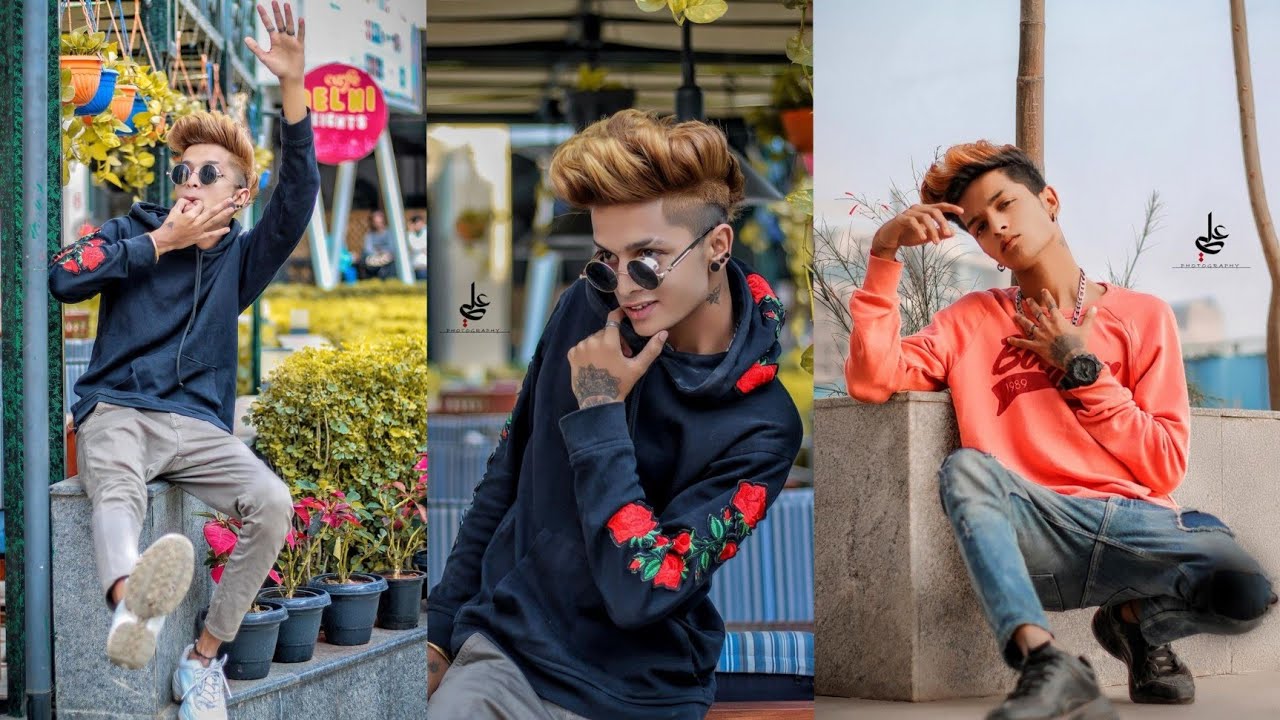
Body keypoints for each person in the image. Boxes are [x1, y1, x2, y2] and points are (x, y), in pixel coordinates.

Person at [845, 140, 1276, 720]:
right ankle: (1047, 663)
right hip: (1039, 532)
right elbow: (872, 378)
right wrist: (884, 255)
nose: (996, 226)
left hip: (1135, 527)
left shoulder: (1143, 316)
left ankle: (1138, 624)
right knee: (968, 469)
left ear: (1049, 201)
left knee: (1247, 591)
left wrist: (1081, 367)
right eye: (978, 224)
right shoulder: (970, 320)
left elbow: (1165, 463)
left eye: (1005, 204)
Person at [426, 109, 803, 720]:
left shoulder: (763, 426)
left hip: (642, 695)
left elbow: (643, 591)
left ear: (717, 245)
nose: (626, 285)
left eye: (648, 258)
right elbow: (509, 469)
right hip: (507, 659)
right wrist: (440, 629)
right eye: (608, 258)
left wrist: (600, 409)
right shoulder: (585, 307)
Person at [47, 3, 319, 718]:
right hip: (120, 411)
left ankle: (202, 660)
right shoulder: (133, 230)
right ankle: (129, 607)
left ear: (238, 194)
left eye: (207, 173)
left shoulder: (241, 261)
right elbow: (64, 276)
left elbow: (299, 198)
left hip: (198, 428)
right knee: (114, 488)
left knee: (272, 503)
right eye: (183, 172)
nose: (190, 183)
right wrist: (158, 244)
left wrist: (293, 87)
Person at [361, 209, 395, 279]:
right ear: (372, 223)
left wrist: (382, 251)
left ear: (383, 221)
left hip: (388, 258)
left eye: (379, 222)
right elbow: (368, 249)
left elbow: (392, 247)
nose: (378, 224)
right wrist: (378, 253)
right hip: (374, 259)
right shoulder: (369, 235)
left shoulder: (390, 233)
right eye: (375, 222)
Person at [407, 213, 427, 280]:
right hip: (416, 267)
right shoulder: (410, 234)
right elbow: (413, 247)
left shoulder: (426, 231)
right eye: (417, 223)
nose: (419, 225)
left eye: (420, 223)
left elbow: (416, 246)